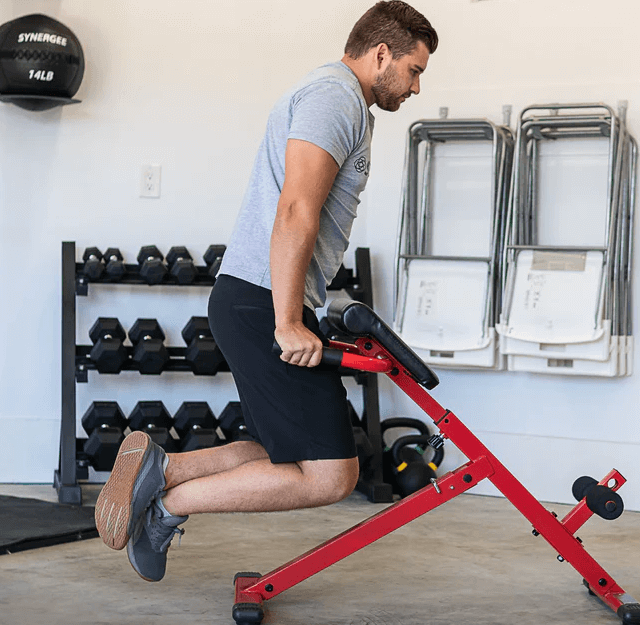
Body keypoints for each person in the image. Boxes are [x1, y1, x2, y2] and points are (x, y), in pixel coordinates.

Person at [94, 1, 438, 583]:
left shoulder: (339, 99)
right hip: (262, 301)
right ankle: (167, 505)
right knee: (331, 474)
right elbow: (296, 209)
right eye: (414, 69)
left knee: (284, 455)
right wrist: (287, 321)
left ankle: (162, 467)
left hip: (252, 295)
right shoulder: (336, 98)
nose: (416, 86)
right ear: (381, 54)